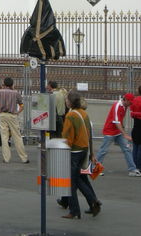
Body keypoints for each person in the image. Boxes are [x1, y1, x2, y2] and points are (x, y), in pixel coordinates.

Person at [61, 90, 101, 219]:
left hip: (74, 152)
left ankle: (75, 210)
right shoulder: (84, 113)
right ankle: (92, 202)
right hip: (84, 150)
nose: (65, 101)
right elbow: (89, 134)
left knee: (71, 182)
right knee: (80, 179)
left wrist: (63, 147)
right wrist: (91, 153)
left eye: (66, 100)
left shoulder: (70, 116)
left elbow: (68, 136)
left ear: (70, 102)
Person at [96, 93, 141, 176]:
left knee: (127, 149)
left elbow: (120, 121)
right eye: (130, 102)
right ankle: (95, 169)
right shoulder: (117, 106)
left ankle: (132, 170)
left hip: (118, 132)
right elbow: (117, 122)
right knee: (103, 150)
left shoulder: (125, 106)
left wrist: (122, 131)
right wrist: (125, 134)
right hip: (110, 131)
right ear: (126, 100)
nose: (131, 104)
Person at [0, 77, 29, 164]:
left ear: (4, 84)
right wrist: (17, 112)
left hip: (3, 115)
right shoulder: (16, 93)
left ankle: (6, 158)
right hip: (12, 115)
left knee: (4, 137)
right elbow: (22, 105)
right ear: (12, 84)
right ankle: (24, 158)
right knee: (17, 136)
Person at [130, 85, 141, 174]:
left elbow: (132, 113)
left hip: (136, 124)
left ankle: (134, 165)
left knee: (135, 146)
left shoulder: (135, 100)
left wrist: (138, 115)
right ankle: (140, 167)